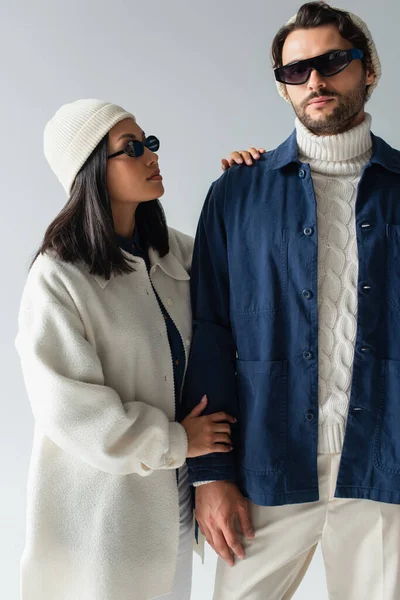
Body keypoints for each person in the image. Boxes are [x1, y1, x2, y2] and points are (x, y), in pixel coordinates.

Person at [183, 3, 400, 599]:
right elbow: (212, 333)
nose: (315, 82)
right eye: (295, 71)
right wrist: (210, 476)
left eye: (333, 61)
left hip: (387, 462)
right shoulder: (236, 194)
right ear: (282, 88)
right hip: (267, 465)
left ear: (369, 69)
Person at [15, 98, 262, 600]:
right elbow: (70, 410)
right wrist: (175, 440)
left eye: (149, 142)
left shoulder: (171, 252)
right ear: (90, 171)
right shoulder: (58, 277)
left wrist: (249, 189)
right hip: (104, 518)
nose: (151, 155)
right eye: (131, 149)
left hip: (173, 508)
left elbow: (250, 279)